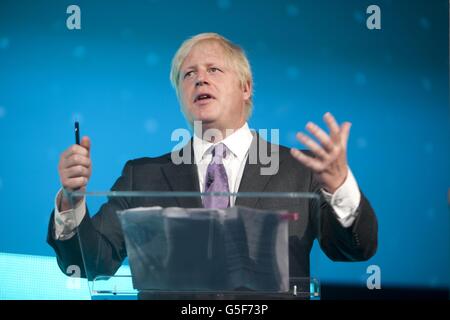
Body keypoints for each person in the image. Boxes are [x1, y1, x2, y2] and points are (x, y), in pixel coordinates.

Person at [47, 33, 377, 281]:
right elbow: (90, 264)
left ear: (245, 87)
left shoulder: (300, 168)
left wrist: (340, 188)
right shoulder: (142, 175)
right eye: (188, 75)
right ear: (180, 97)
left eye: (214, 69)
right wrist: (72, 199)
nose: (200, 78)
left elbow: (353, 250)